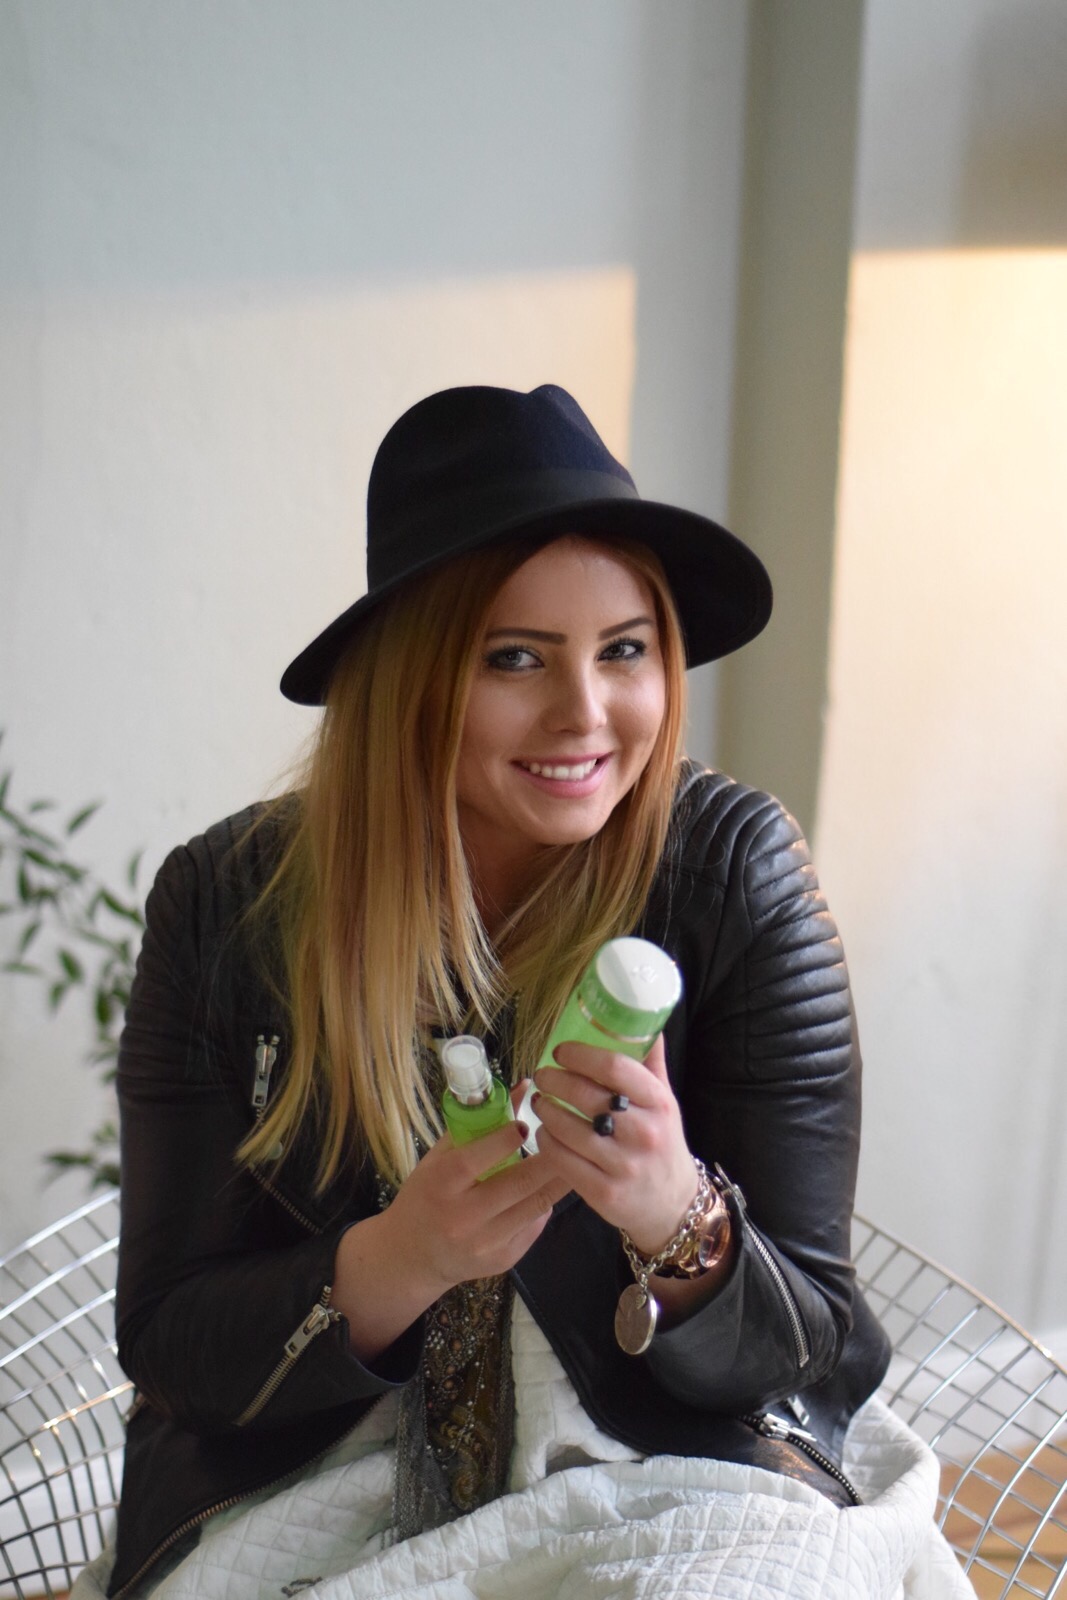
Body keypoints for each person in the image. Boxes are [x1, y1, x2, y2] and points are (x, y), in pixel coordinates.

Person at [97, 384, 902, 1600]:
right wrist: (398, 1258)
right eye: (513, 657)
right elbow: (171, 1345)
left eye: (623, 649)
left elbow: (813, 1352)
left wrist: (674, 1216)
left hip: (668, 1473)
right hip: (312, 1485)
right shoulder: (226, 906)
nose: (585, 714)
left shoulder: (735, 872)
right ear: (408, 676)